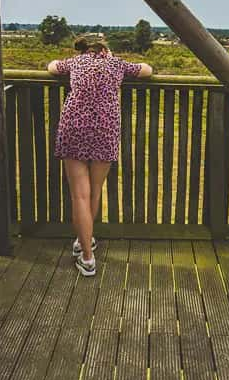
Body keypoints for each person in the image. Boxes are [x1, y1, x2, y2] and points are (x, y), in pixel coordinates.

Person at [47, 37, 152, 276]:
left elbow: (52, 67)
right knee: (94, 191)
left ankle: (86, 255)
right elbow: (148, 70)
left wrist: (61, 61)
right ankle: (85, 242)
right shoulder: (117, 64)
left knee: (79, 196)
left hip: (74, 128)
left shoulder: (76, 62)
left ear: (85, 49)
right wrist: (113, 57)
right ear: (104, 49)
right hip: (105, 131)